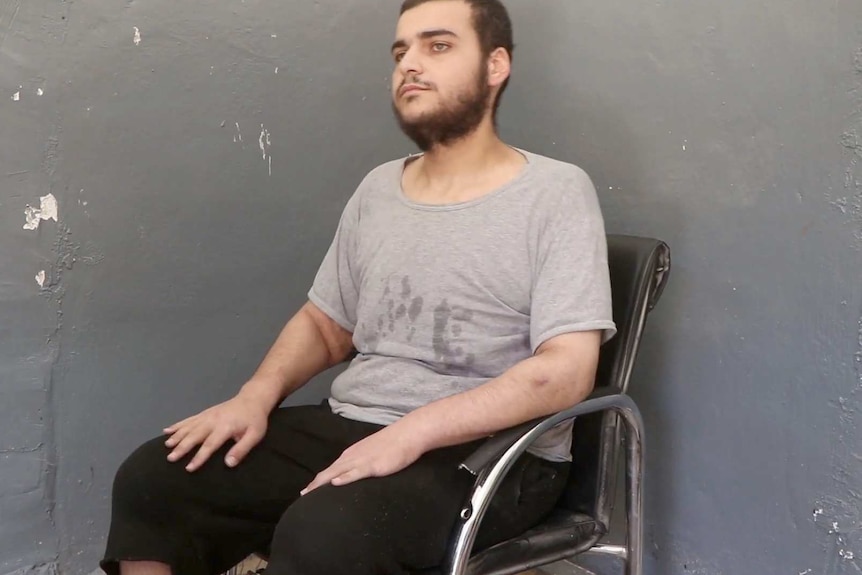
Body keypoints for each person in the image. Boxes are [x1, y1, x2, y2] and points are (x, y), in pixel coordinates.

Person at [100, 1, 616, 574]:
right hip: (358, 423)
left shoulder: (556, 192)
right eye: (401, 51)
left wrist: (412, 433)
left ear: (496, 65)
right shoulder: (378, 189)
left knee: (327, 530)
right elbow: (326, 326)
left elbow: (566, 371)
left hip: (495, 454)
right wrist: (254, 397)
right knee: (155, 480)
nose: (410, 65)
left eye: (437, 46)